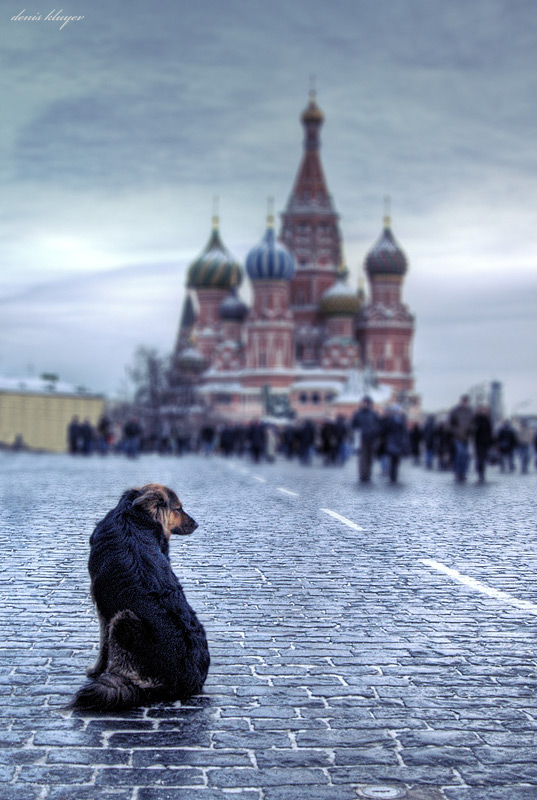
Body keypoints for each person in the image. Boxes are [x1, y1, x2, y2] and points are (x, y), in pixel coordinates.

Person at [351, 396, 380, 483]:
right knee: (362, 457)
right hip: (361, 438)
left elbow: (379, 425)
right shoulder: (358, 413)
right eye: (364, 403)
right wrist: (357, 432)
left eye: (367, 403)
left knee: (370, 457)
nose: (365, 404)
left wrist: (375, 432)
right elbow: (353, 425)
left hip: (371, 438)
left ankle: (368, 474)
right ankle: (362, 474)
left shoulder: (374, 414)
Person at [382, 404, 410, 483]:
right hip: (391, 441)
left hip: (398, 442)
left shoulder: (402, 420)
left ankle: (394, 475)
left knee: (397, 460)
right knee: (392, 459)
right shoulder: (390, 419)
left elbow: (404, 432)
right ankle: (392, 475)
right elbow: (385, 428)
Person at [449, 394, 473, 482]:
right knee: (460, 453)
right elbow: (450, 424)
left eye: (466, 401)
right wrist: (455, 431)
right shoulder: (455, 411)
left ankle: (463, 472)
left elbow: (473, 423)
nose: (465, 403)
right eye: (464, 401)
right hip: (457, 437)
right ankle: (458, 471)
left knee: (465, 455)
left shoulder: (470, 411)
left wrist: (471, 430)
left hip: (467, 437)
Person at [472, 405, 493, 482]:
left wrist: (492, 442)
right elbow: (473, 430)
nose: (483, 412)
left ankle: (482, 472)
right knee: (480, 458)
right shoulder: (477, 419)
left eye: (485, 410)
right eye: (482, 410)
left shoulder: (488, 420)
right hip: (478, 442)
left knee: (484, 458)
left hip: (486, 442)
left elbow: (490, 432)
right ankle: (479, 472)